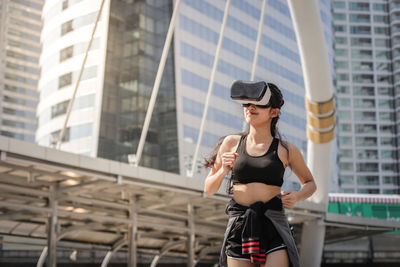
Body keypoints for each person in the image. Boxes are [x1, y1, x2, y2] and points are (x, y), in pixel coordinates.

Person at [203, 81, 316, 267]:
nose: (250, 108)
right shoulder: (231, 143)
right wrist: (223, 169)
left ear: (274, 112)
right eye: (247, 104)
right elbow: (208, 189)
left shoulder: (286, 149)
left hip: (273, 223)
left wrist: (297, 196)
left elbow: (310, 183)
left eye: (258, 104)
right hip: (240, 224)